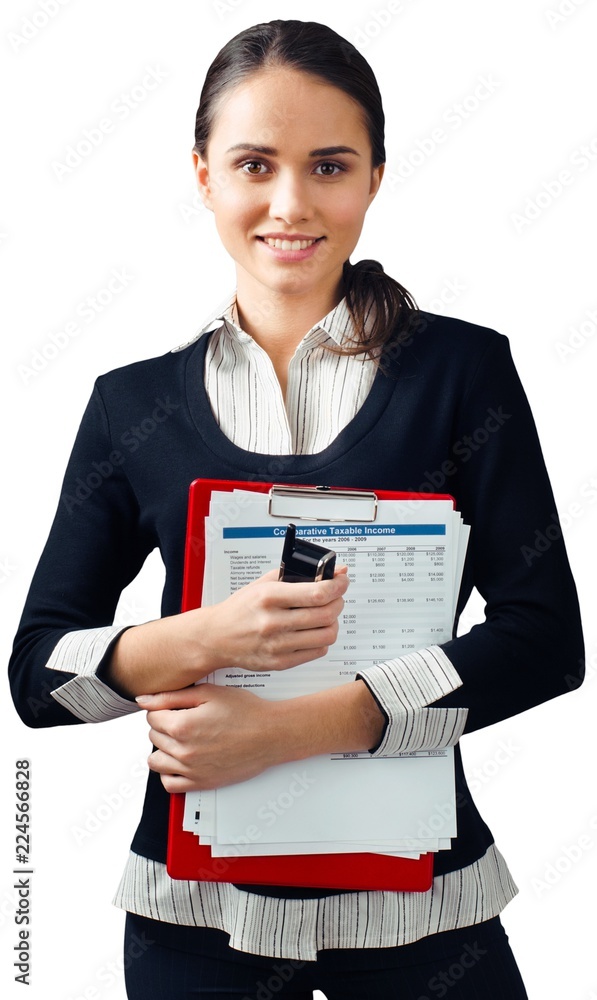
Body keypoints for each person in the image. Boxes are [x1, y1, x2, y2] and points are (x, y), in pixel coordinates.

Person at [8, 18, 584, 1000]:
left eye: (328, 165)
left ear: (375, 176)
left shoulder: (462, 373)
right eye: (252, 164)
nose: (289, 202)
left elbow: (547, 637)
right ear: (202, 175)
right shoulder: (132, 405)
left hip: (421, 909)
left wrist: (306, 723)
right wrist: (191, 639)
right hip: (196, 918)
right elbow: (37, 675)